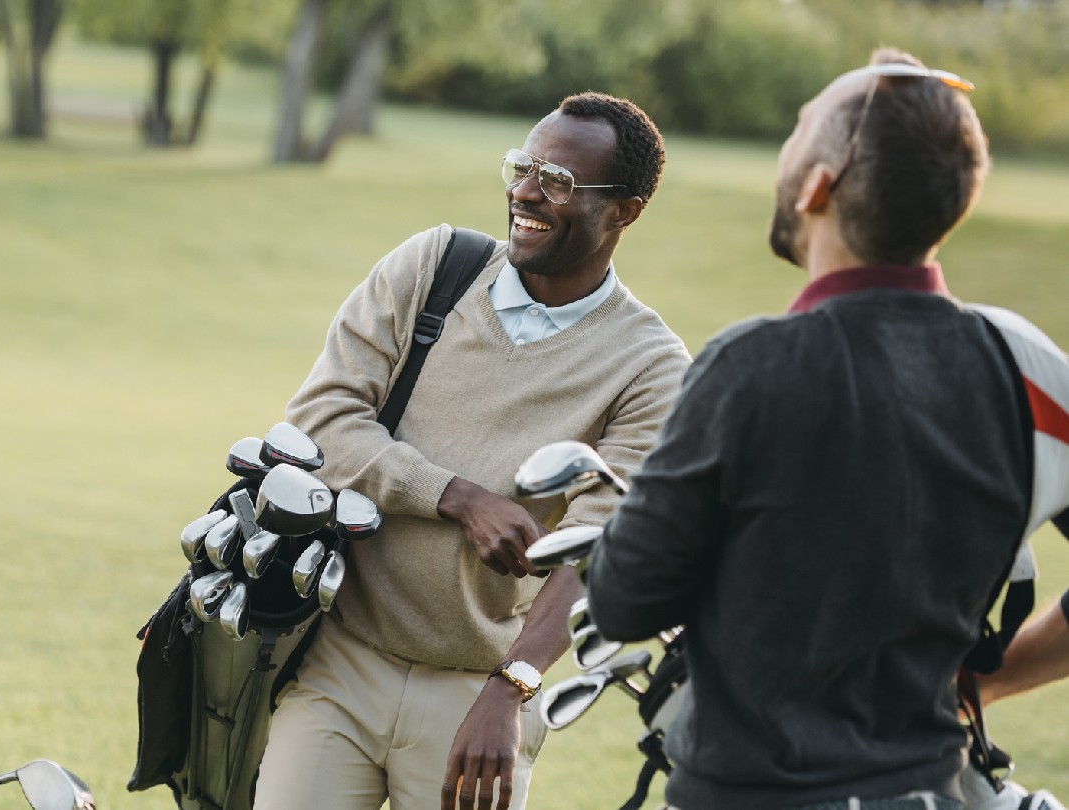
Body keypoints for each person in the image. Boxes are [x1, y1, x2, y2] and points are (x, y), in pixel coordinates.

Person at [586, 49, 1053, 810]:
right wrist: (984, 680)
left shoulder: (748, 368)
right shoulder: (1024, 369)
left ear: (817, 185)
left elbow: (624, 602)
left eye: (800, 127)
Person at [254, 92, 690, 810]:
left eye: (558, 182)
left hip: (480, 693)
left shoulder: (651, 364)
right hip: (340, 662)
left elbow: (600, 549)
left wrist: (513, 687)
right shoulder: (435, 267)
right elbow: (322, 421)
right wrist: (459, 498)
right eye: (523, 167)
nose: (525, 192)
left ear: (625, 211)